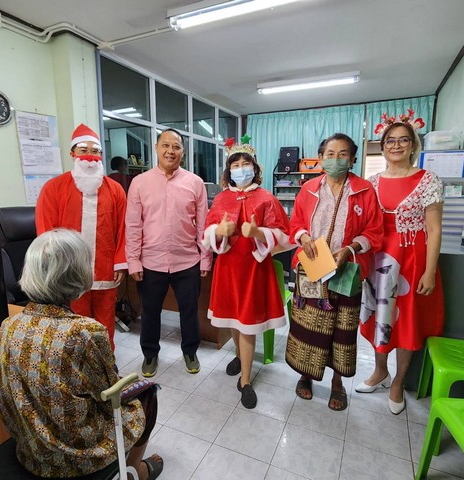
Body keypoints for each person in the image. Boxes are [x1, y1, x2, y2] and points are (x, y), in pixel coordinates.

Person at [0, 228, 163, 480]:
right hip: (76, 457)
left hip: (29, 451)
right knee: (147, 392)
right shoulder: (84, 331)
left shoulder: (9, 325)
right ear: (77, 275)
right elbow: (108, 393)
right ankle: (134, 471)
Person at [285, 133, 383, 411]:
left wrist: (350, 249)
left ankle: (337, 383)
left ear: (352, 159)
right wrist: (304, 237)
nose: (336, 159)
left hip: (346, 272)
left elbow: (374, 232)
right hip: (312, 270)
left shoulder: (364, 190)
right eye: (330, 154)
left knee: (342, 331)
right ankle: (306, 374)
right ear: (321, 158)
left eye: (342, 154)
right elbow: (296, 224)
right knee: (308, 328)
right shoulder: (309, 189)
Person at [356, 114, 444, 416]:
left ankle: (398, 382)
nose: (396, 145)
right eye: (390, 140)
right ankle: (380, 371)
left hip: (412, 260)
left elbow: (434, 229)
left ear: (413, 145)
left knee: (406, 322)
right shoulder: (372, 183)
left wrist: (430, 271)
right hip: (379, 259)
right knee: (379, 317)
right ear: (383, 147)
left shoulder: (428, 180)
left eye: (403, 140)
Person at [202, 135, 290, 409]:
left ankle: (246, 380)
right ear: (229, 171)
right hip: (228, 268)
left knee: (248, 322)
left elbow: (284, 235)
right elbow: (207, 232)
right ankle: (241, 357)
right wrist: (219, 232)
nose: (241, 168)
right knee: (234, 319)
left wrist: (258, 233)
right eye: (236, 164)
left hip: (254, 269)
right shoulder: (222, 198)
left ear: (255, 167)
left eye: (246, 163)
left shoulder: (266, 198)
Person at [125, 128, 212, 377]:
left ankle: (190, 351)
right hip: (150, 261)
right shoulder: (139, 183)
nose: (170, 151)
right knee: (150, 312)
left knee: (189, 311)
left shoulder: (195, 183)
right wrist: (133, 260)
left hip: (187, 261)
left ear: (182, 152)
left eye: (175, 147)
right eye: (165, 146)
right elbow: (133, 224)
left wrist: (205, 258)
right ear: (156, 148)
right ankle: (150, 355)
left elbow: (204, 224)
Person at [36, 123, 127, 351]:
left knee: (105, 320)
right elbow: (46, 231)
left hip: (105, 267)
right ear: (72, 154)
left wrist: (120, 262)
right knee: (74, 320)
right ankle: (78, 364)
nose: (90, 156)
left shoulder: (115, 190)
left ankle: (106, 362)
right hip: (68, 268)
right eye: (83, 150)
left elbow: (124, 229)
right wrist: (53, 265)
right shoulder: (53, 188)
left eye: (95, 151)